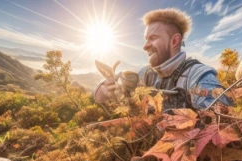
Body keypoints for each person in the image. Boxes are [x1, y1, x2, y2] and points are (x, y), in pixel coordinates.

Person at [94, 8, 231, 111]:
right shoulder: (146, 73)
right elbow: (100, 98)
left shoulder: (197, 75)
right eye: (146, 39)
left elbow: (222, 118)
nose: (145, 46)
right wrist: (105, 89)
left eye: (153, 38)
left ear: (174, 41)